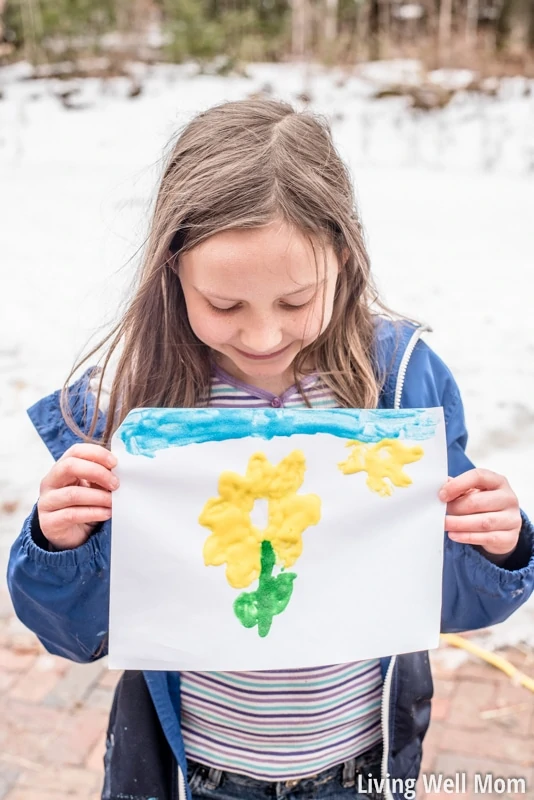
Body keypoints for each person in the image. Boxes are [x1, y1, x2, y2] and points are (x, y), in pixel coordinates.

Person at [7, 99, 534, 800]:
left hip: (356, 769)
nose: (261, 337)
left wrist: (495, 545)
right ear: (174, 272)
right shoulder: (134, 406)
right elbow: (78, 635)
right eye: (225, 306)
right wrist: (60, 542)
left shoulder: (399, 383)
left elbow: (449, 602)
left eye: (295, 302)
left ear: (342, 261)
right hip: (191, 775)